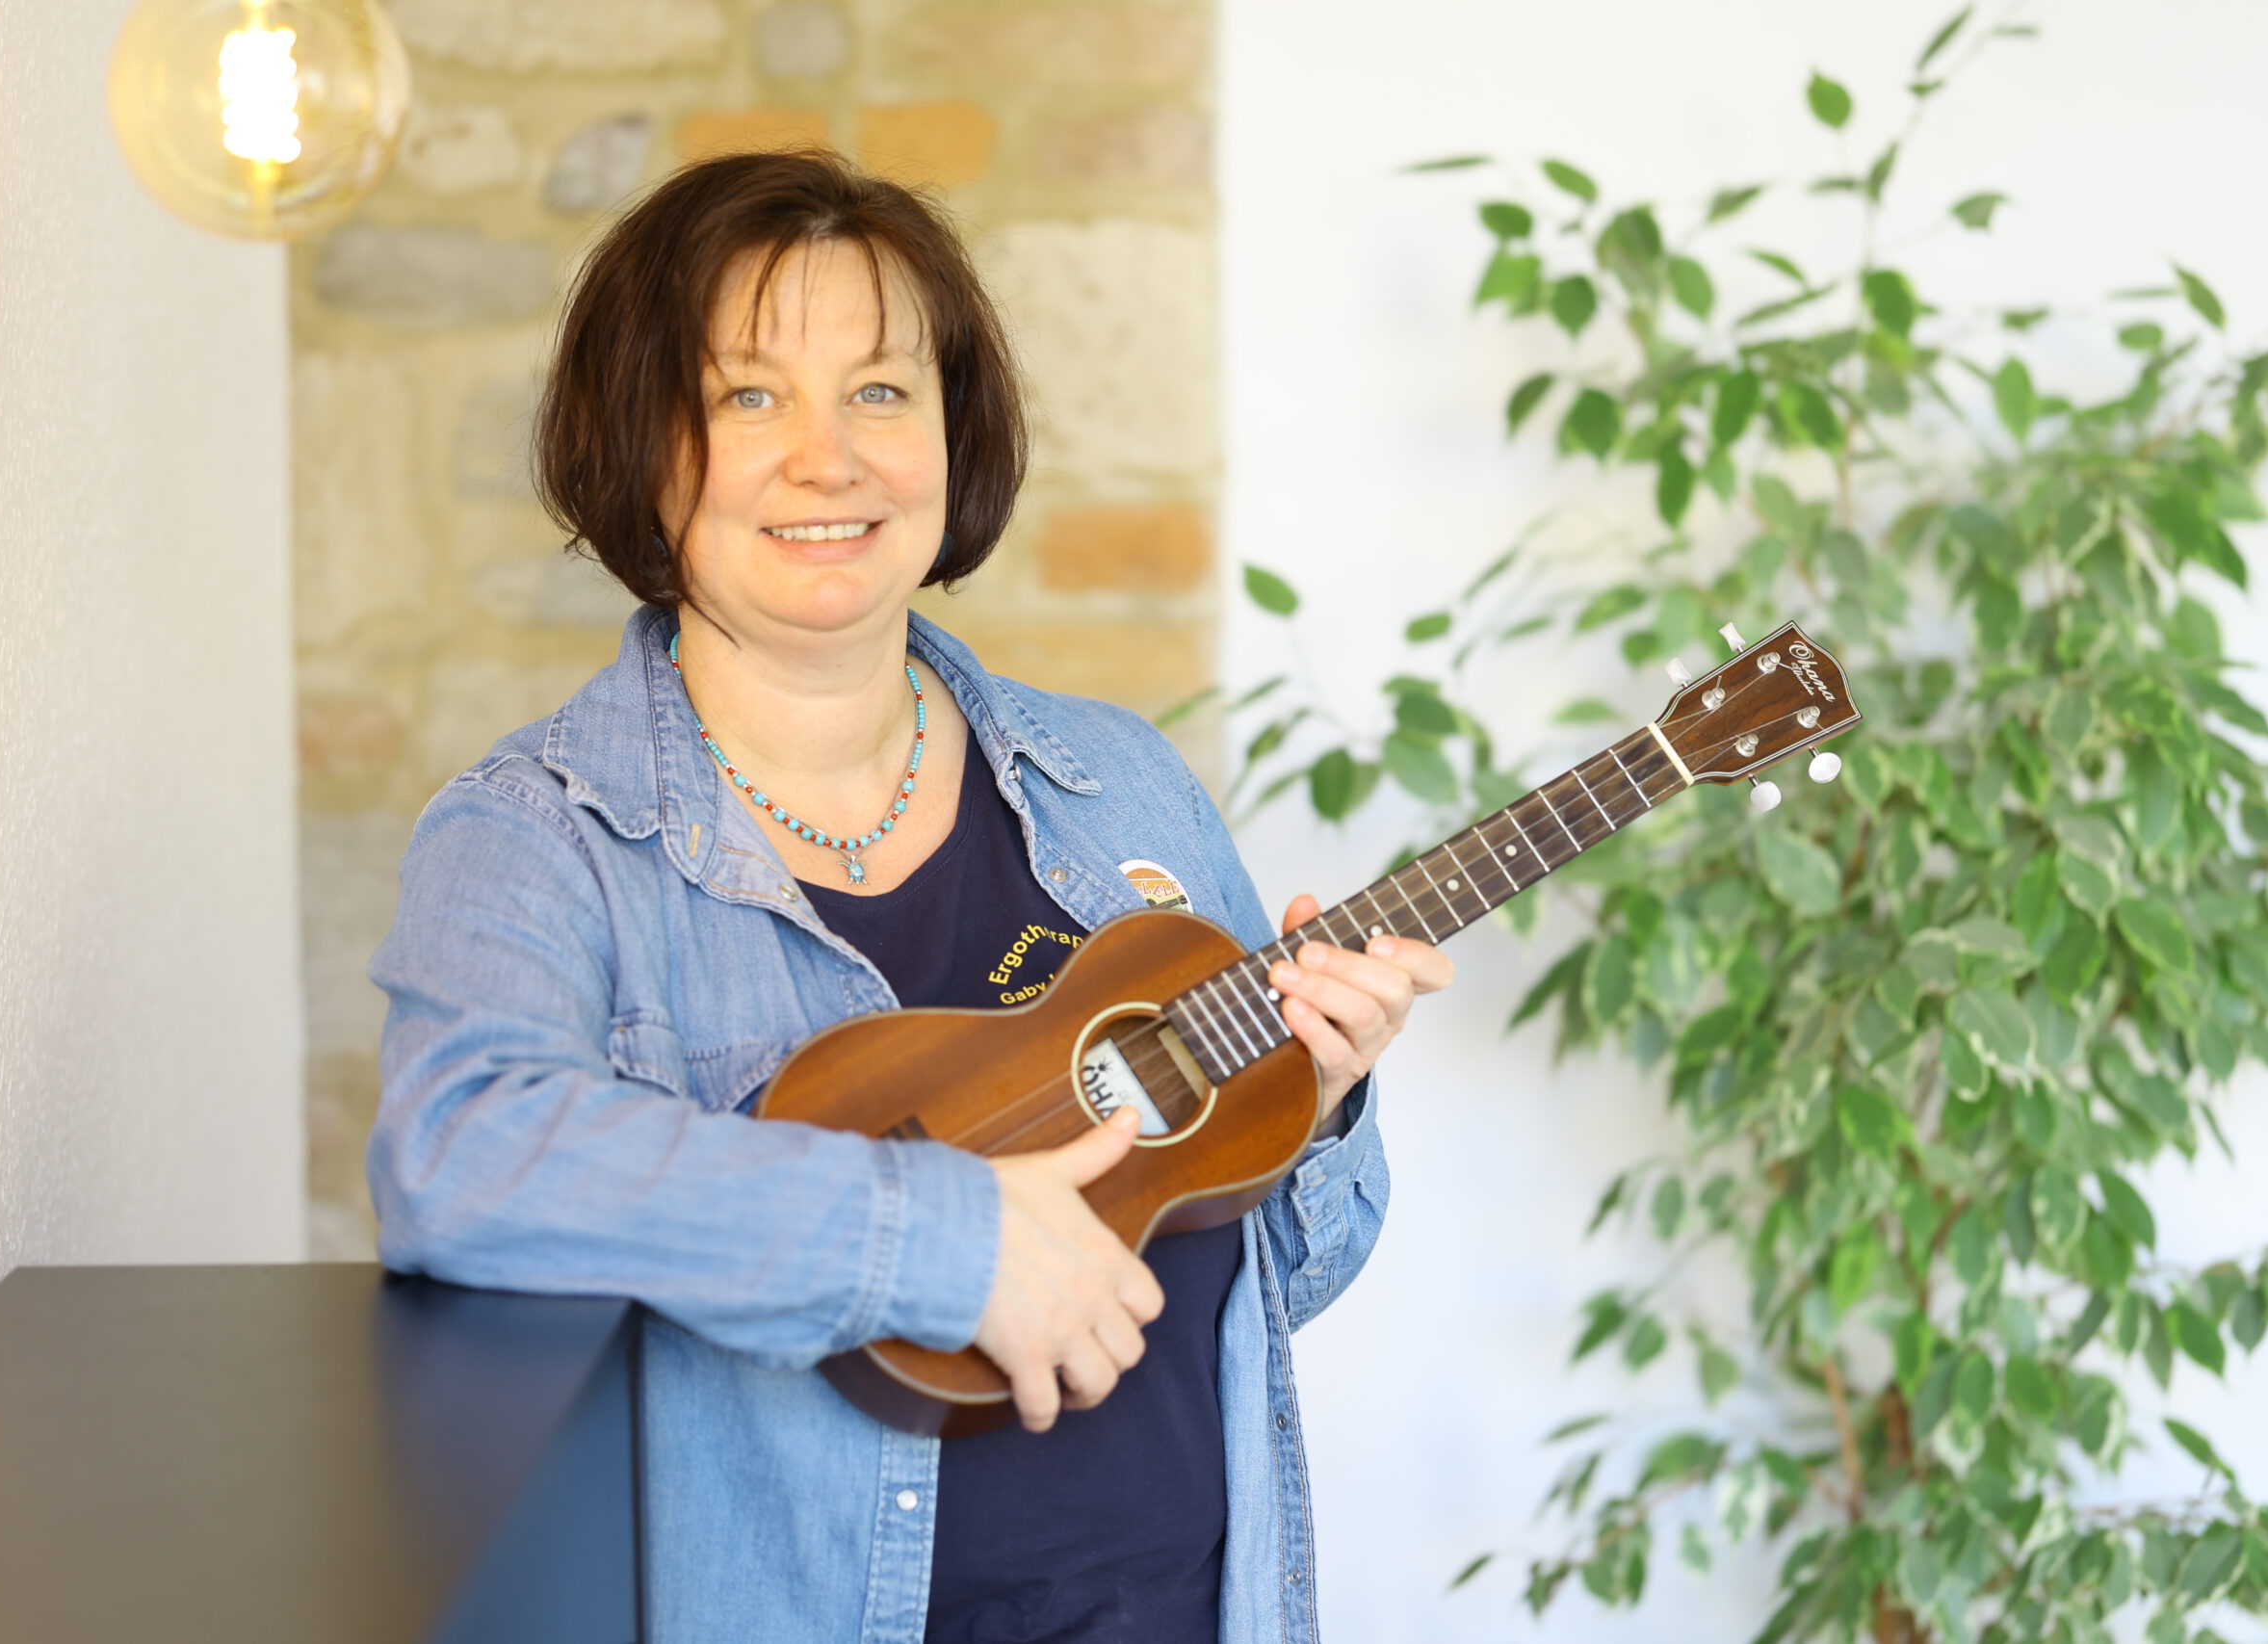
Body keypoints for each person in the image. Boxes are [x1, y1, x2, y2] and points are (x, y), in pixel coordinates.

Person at [366, 148, 1454, 1644]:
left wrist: (1316, 1107)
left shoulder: (1122, 785)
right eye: (750, 397)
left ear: (955, 436)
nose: (833, 459)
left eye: (883, 392)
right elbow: (460, 1158)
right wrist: (938, 1240)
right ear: (643, 442)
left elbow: (1266, 1296)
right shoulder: (534, 840)